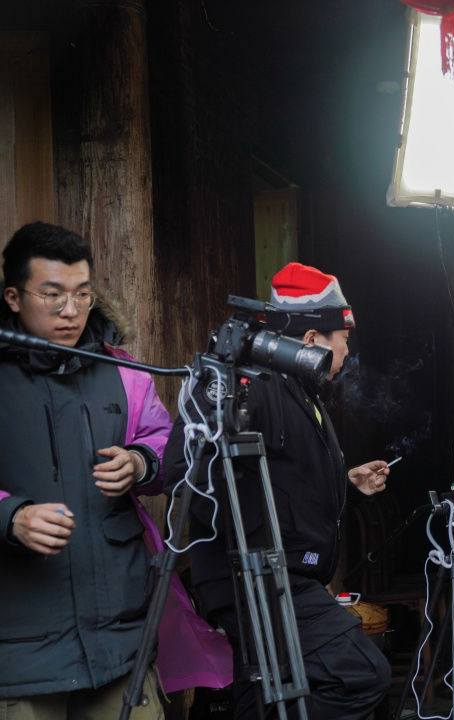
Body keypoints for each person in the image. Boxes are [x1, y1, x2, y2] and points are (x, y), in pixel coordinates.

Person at [163, 262, 391, 719]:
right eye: (342, 343)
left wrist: (344, 481)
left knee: (262, 693)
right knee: (362, 674)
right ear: (310, 341)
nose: (346, 355)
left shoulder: (300, 391)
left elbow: (273, 475)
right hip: (257, 577)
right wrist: (262, 542)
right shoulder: (249, 384)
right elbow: (183, 468)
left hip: (286, 575)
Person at [0, 222, 174, 718]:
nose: (71, 311)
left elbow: (163, 441)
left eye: (82, 295)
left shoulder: (122, 369)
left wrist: (141, 463)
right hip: (18, 650)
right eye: (52, 295)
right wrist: (10, 516)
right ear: (14, 296)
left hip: (119, 642)